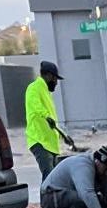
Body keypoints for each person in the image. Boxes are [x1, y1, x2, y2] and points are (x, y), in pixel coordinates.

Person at [24, 61, 73, 189]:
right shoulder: (34, 88)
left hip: (50, 144)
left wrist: (63, 136)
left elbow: (52, 123)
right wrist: (46, 116)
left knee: (55, 180)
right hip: (39, 141)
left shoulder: (46, 93)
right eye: (55, 79)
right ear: (49, 76)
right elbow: (36, 106)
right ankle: (46, 202)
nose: (56, 83)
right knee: (49, 179)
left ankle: (53, 201)